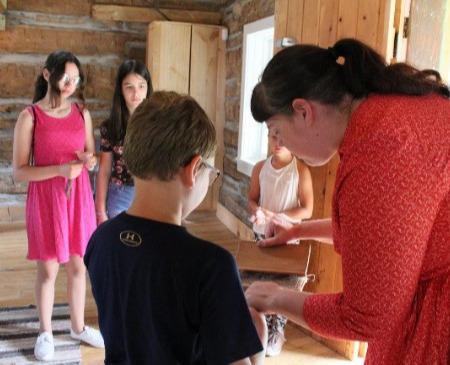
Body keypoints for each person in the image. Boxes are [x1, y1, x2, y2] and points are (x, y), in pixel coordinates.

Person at [245, 38, 450, 365]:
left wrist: (276, 297)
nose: (278, 143)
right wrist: (298, 230)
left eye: (276, 130)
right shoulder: (386, 112)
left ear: (303, 110)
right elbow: (384, 236)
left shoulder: (381, 154)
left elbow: (368, 316)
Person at [85, 91, 267, 364]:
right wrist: (258, 342)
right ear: (194, 169)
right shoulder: (212, 266)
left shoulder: (101, 240)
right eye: (211, 173)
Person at [12, 50, 104, 361]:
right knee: (49, 268)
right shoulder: (30, 117)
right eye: (66, 78)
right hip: (47, 200)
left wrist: (88, 160)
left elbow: (90, 154)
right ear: (47, 74)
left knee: (79, 265)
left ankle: (78, 327)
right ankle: (45, 331)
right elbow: (20, 170)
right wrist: (59, 170)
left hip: (78, 199)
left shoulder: (81, 112)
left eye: (76, 80)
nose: (71, 85)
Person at [247, 127, 313, 356]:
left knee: (284, 285)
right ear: (267, 137)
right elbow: (252, 200)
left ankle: (277, 332)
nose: (278, 141)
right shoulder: (259, 168)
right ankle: (257, 327)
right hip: (261, 233)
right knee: (259, 278)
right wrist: (258, 211)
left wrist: (279, 217)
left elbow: (307, 208)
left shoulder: (300, 170)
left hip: (286, 236)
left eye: (283, 136)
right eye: (273, 136)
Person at [95, 59, 153, 225]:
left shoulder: (158, 123)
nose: (136, 93)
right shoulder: (110, 127)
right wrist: (100, 211)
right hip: (120, 193)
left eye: (141, 86)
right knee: (123, 244)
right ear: (120, 89)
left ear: (148, 87)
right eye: (129, 87)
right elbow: (105, 169)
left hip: (152, 193)